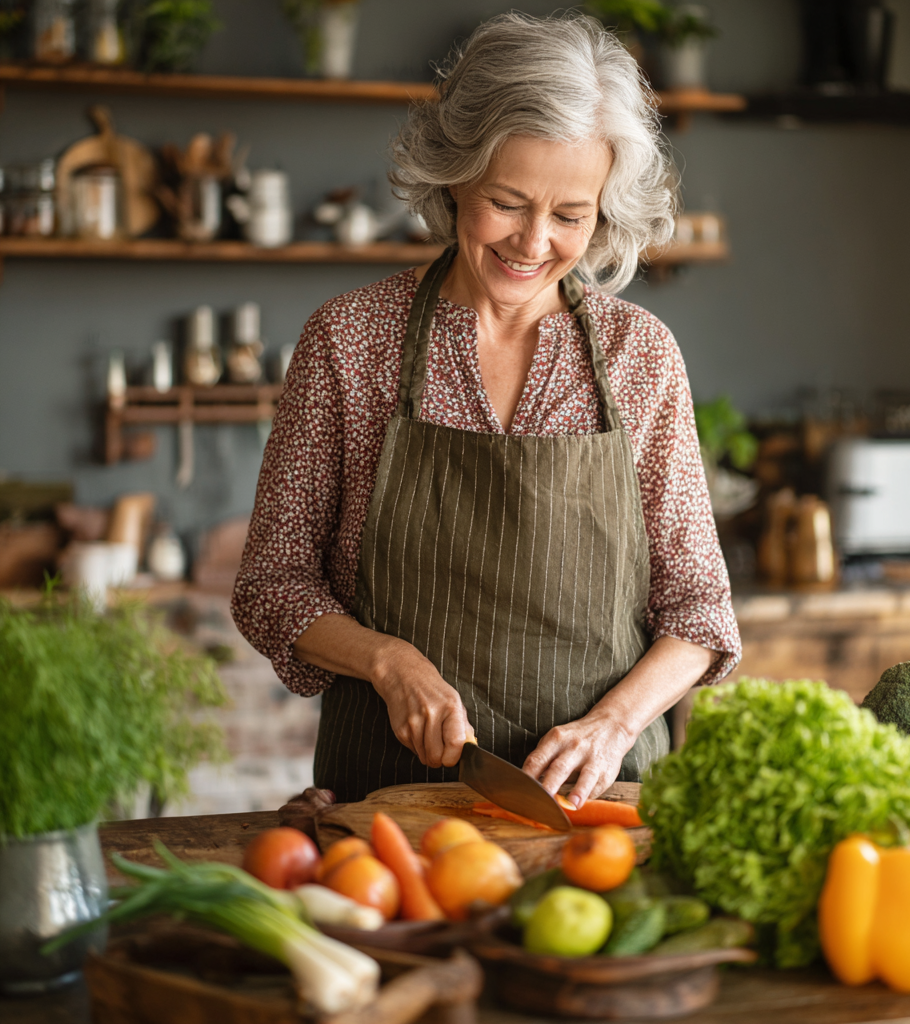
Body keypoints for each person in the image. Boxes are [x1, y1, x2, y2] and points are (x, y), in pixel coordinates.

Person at [231, 12, 741, 809]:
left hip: (593, 813)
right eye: (506, 202)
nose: (533, 242)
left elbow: (700, 613)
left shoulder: (639, 355)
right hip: (393, 809)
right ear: (455, 176)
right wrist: (386, 661)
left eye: (570, 216)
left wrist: (612, 725)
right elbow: (272, 583)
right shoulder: (350, 340)